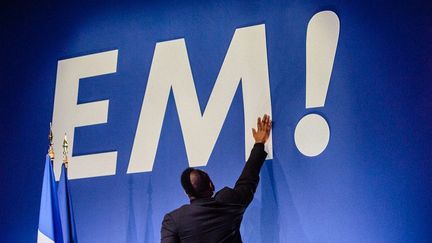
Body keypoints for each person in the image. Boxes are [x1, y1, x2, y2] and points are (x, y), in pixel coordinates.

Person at [161, 114, 272, 243]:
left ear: (187, 192)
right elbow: (247, 181)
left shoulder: (173, 220)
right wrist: (259, 144)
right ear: (211, 185)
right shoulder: (228, 202)